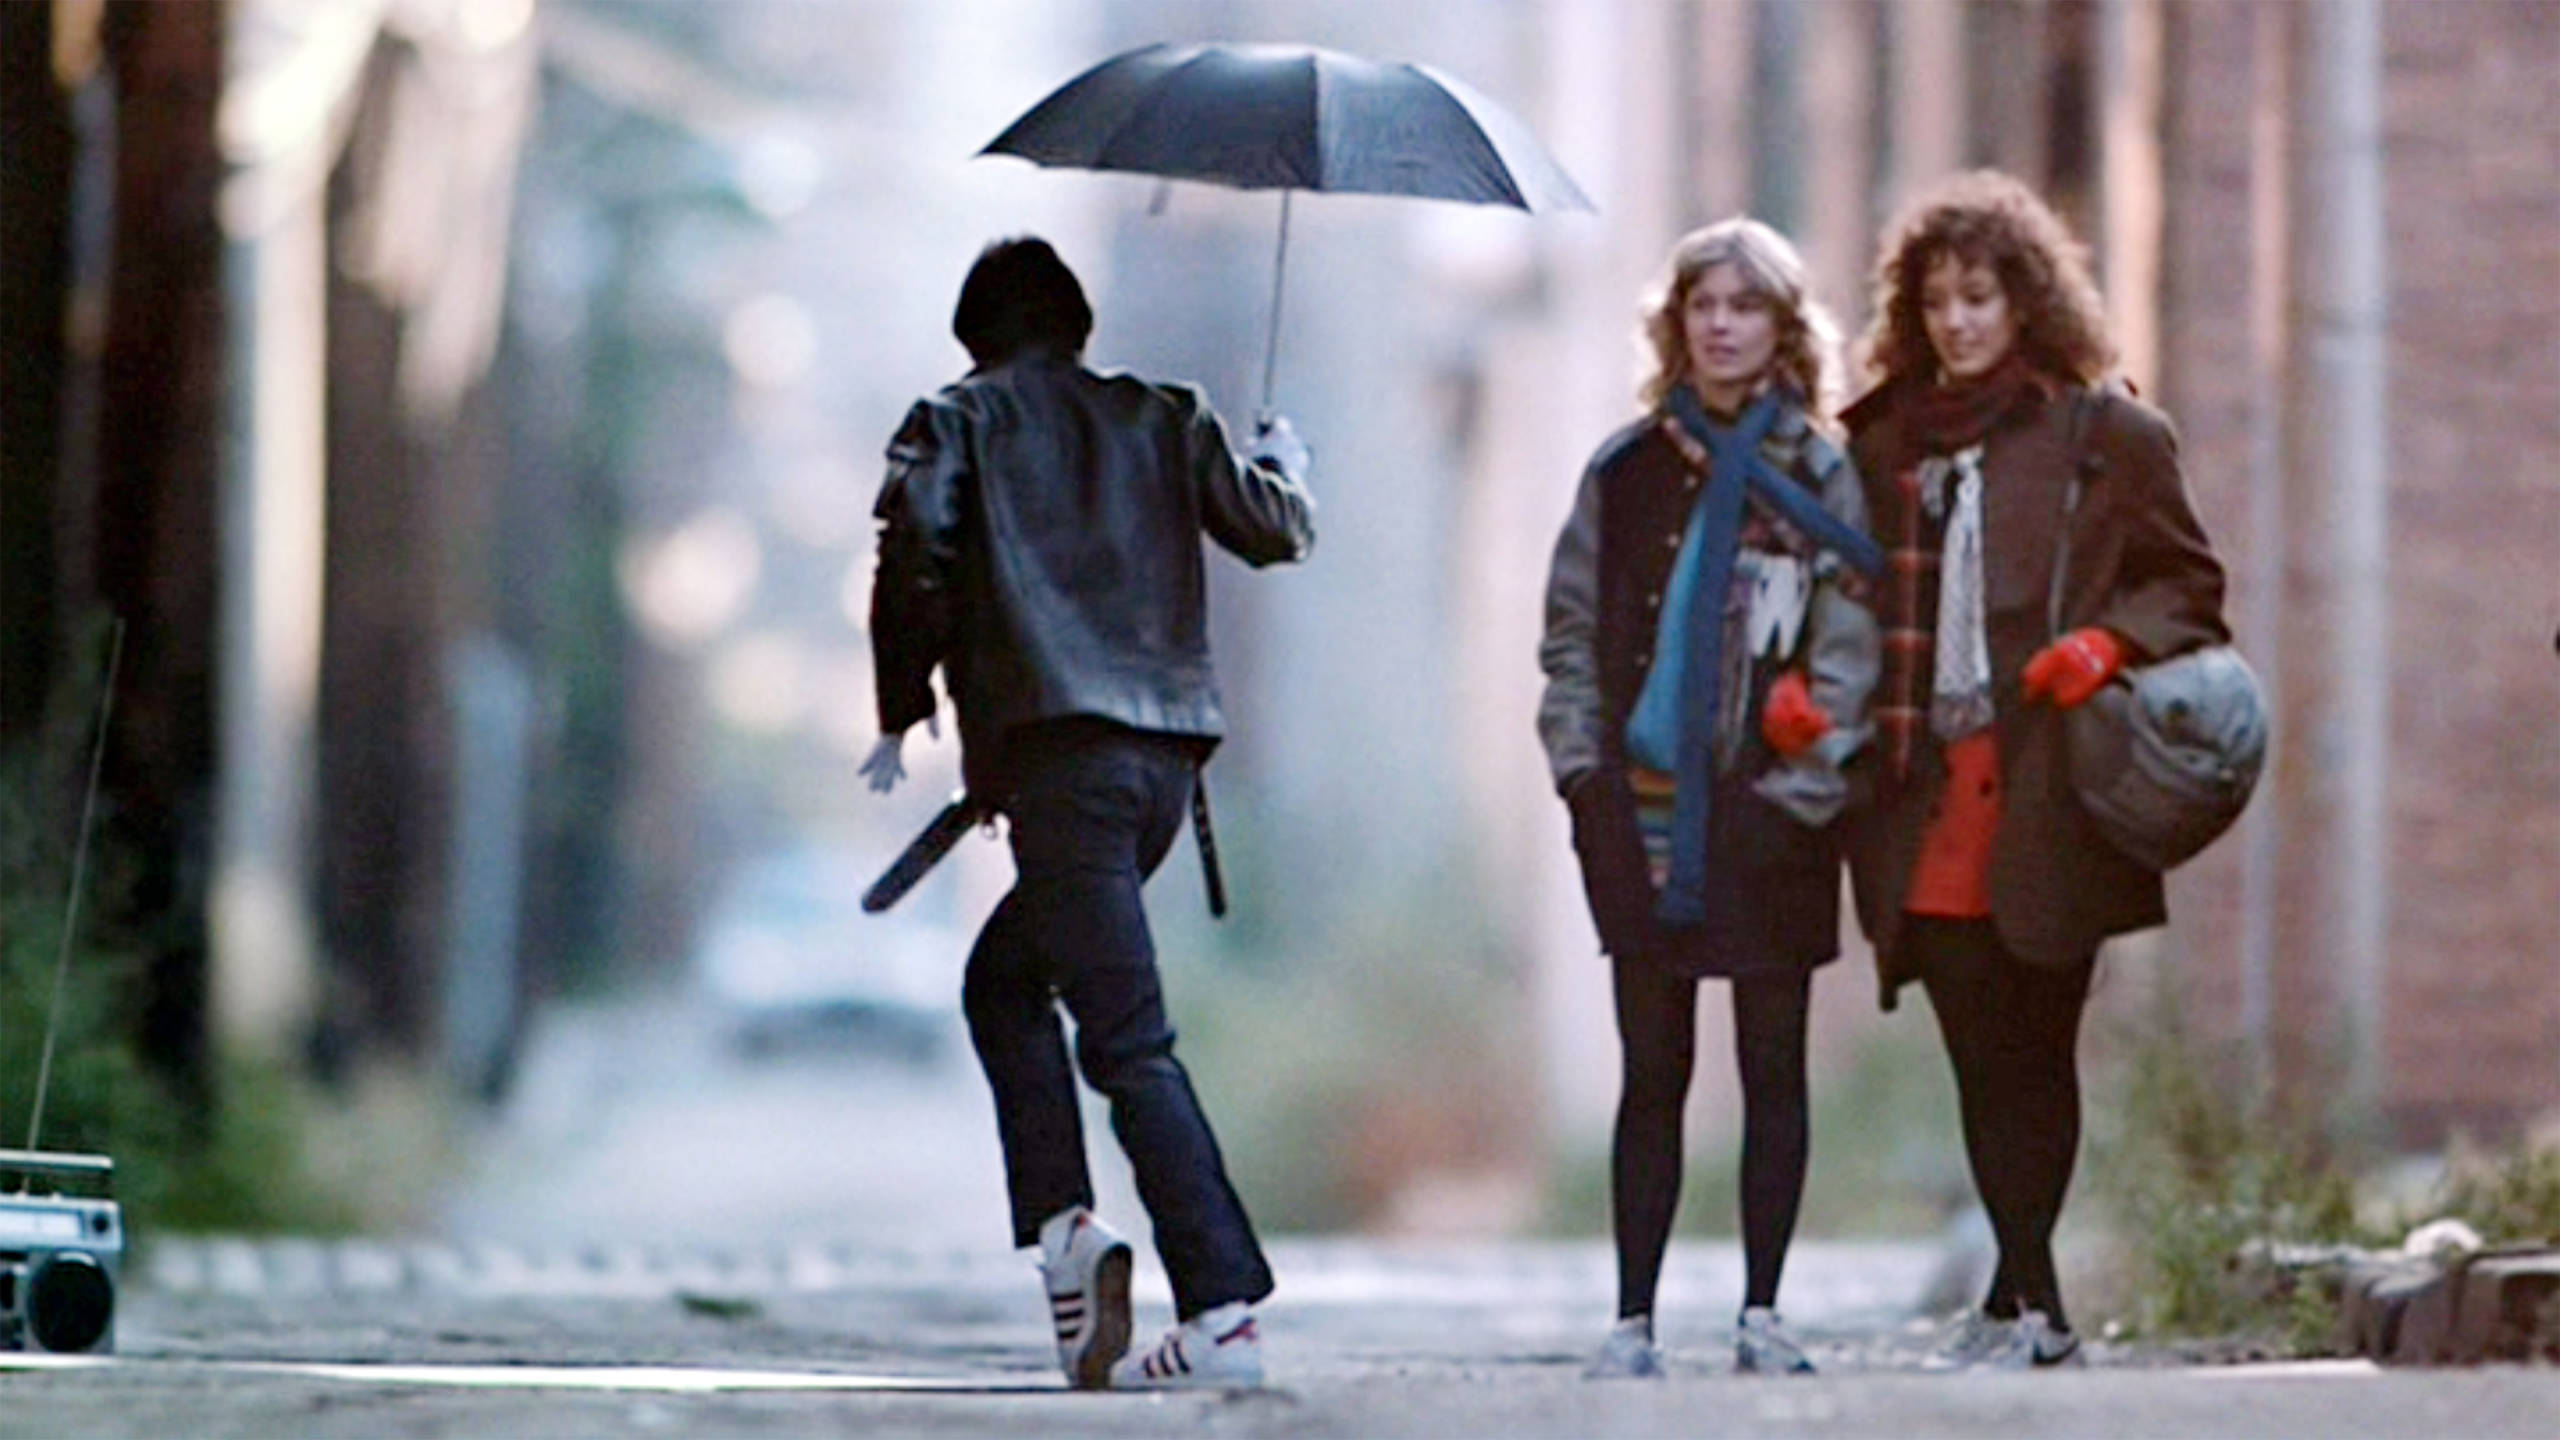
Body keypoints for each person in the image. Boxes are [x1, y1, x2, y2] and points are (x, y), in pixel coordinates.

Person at [863, 236, 1314, 1391]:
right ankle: (1070, 1235)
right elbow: (1274, 529)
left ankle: (1221, 1318)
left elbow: (915, 549)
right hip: (1159, 776)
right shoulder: (1167, 416)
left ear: (974, 335)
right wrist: (1287, 467)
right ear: (1077, 325)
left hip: (1061, 767)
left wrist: (902, 700)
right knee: (1005, 985)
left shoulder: (959, 419)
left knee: (1126, 1042)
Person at [1840, 170, 2231, 1370]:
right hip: (1919, 791)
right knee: (1976, 1049)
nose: (1958, 322)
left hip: (2053, 788)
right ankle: (2025, 1302)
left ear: (2026, 303)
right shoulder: (1877, 441)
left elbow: (2188, 587)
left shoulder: (2101, 436)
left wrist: (2105, 643)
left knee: (2039, 1045)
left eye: (1981, 297)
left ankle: (2032, 1304)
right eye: (1938, 300)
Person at [1538, 218, 1882, 1379]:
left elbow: (1849, 641)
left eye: (1747, 306)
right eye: (1704, 305)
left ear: (1785, 329)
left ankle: (1761, 1312)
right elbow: (1573, 631)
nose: (1723, 325)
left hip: (1773, 802)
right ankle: (1632, 1316)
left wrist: (1805, 783)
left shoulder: (1820, 472)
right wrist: (1580, 771)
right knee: (1654, 1063)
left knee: (1772, 1057)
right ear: (1675, 324)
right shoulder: (1625, 470)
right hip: (1639, 803)